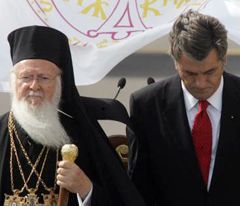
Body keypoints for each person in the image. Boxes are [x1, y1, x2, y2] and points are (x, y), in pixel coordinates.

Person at [0, 25, 146, 206]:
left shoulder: (82, 131)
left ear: (60, 82)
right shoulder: (2, 130)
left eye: (44, 78)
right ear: (14, 82)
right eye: (26, 77)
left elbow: (120, 199)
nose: (34, 86)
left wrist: (85, 188)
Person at [128, 9, 240, 206]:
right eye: (189, 73)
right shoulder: (146, 106)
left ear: (224, 61)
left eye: (209, 72)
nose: (200, 83)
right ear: (175, 63)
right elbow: (139, 187)